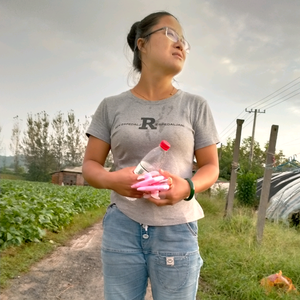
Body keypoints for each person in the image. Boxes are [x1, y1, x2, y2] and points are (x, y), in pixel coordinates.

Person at [82, 11, 219, 300]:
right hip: (123, 226)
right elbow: (90, 165)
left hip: (177, 230)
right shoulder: (111, 106)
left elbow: (210, 167)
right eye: (171, 34)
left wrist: (188, 187)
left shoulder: (196, 106)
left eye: (184, 41)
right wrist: (110, 180)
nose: (180, 44)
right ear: (141, 44)